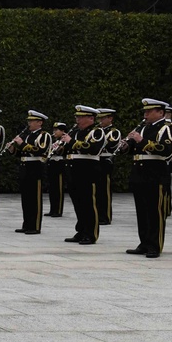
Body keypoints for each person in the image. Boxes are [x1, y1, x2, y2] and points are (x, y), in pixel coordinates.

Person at [117, 98, 172, 259]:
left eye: (149, 111)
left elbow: (165, 150)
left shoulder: (168, 128)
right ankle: (144, 243)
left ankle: (154, 245)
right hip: (140, 173)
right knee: (142, 211)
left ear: (160, 112)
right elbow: (132, 149)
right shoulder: (143, 128)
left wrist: (140, 140)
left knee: (155, 211)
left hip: (156, 174)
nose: (145, 114)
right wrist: (125, 145)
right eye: (145, 111)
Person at [62, 105, 105, 245]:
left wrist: (71, 142)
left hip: (88, 171)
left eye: (80, 117)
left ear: (91, 118)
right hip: (74, 171)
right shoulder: (75, 132)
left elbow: (93, 148)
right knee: (78, 203)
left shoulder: (97, 132)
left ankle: (91, 233)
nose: (77, 120)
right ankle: (81, 230)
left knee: (88, 203)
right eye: (77, 117)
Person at [6, 110, 51, 234]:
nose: (29, 123)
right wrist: (12, 149)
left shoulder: (44, 135)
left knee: (35, 199)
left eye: (31, 121)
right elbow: (22, 153)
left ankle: (35, 226)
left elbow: (40, 150)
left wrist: (22, 144)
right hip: (25, 167)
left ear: (40, 122)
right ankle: (26, 224)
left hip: (35, 167)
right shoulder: (27, 135)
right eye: (29, 121)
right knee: (26, 198)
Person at [96, 108, 121, 225]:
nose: (100, 120)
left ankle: (105, 216)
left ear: (110, 118)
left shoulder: (114, 132)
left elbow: (110, 145)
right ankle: (97, 214)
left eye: (103, 118)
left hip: (105, 160)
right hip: (96, 160)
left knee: (104, 189)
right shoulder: (96, 131)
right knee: (96, 189)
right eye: (100, 118)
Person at [45, 122, 69, 217]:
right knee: (52, 188)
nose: (54, 132)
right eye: (54, 130)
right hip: (52, 164)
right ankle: (52, 209)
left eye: (56, 130)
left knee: (58, 188)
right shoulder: (54, 141)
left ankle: (58, 210)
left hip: (60, 164)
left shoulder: (65, 140)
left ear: (63, 131)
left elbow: (64, 151)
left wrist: (60, 148)